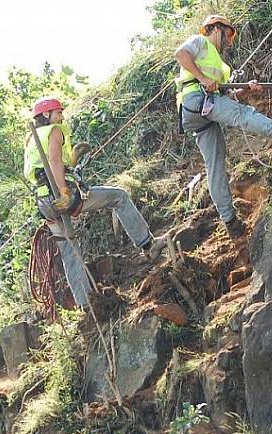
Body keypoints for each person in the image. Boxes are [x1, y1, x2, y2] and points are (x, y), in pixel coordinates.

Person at [24, 96, 170, 309]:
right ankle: (148, 244)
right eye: (58, 113)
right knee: (118, 197)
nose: (62, 117)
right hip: (61, 195)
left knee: (69, 250)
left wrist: (70, 163)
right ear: (46, 115)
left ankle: (86, 303)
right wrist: (64, 191)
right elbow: (54, 161)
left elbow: (41, 168)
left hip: (44, 203)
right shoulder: (54, 130)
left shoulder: (32, 138)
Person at [175, 14, 272, 238]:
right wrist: (203, 79)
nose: (230, 40)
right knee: (243, 115)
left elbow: (228, 97)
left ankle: (230, 221)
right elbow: (180, 54)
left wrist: (246, 90)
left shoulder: (220, 65)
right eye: (229, 34)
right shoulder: (199, 41)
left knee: (215, 164)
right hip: (197, 100)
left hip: (197, 113)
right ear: (215, 28)